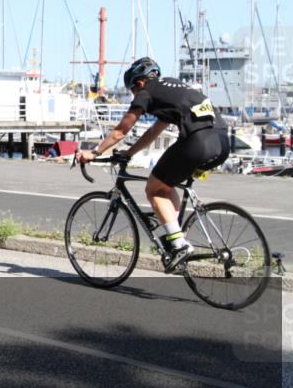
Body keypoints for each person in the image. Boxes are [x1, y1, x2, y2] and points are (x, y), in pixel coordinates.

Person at [77, 57, 229, 271]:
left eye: (132, 91)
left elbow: (121, 130)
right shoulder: (171, 87)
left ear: (139, 83)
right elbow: (153, 131)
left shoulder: (146, 92)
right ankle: (176, 237)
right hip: (222, 142)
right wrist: (129, 153)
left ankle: (179, 245)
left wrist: (94, 152)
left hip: (197, 141)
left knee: (153, 189)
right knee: (165, 186)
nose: (134, 96)